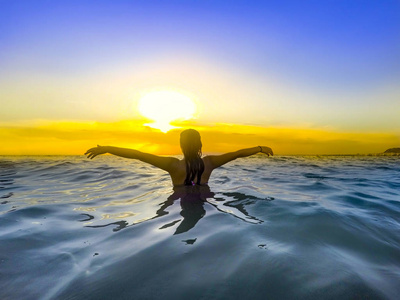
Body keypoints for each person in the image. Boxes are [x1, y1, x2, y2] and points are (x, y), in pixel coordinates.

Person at [85, 129, 273, 187]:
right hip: (205, 198)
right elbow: (238, 153)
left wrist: (108, 148)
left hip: (178, 199)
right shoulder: (210, 163)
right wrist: (260, 148)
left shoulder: (171, 165)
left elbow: (137, 155)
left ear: (181, 146)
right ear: (200, 145)